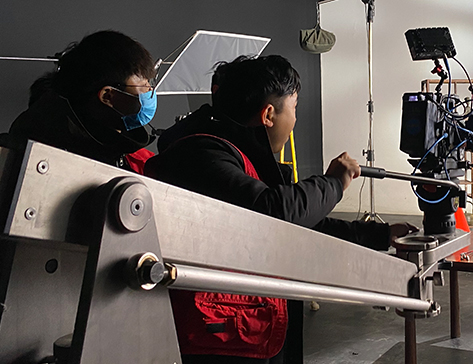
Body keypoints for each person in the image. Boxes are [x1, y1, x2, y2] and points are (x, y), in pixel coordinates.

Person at [144, 55, 415, 364]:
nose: (295, 119)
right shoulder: (202, 154)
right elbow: (272, 213)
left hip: (243, 323)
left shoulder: (235, 152)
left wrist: (381, 235)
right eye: (294, 107)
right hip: (219, 336)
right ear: (269, 114)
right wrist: (334, 183)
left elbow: (298, 226)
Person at [3, 30, 157, 173]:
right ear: (107, 96)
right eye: (143, 86)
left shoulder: (132, 154)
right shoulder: (36, 151)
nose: (150, 90)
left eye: (149, 83)